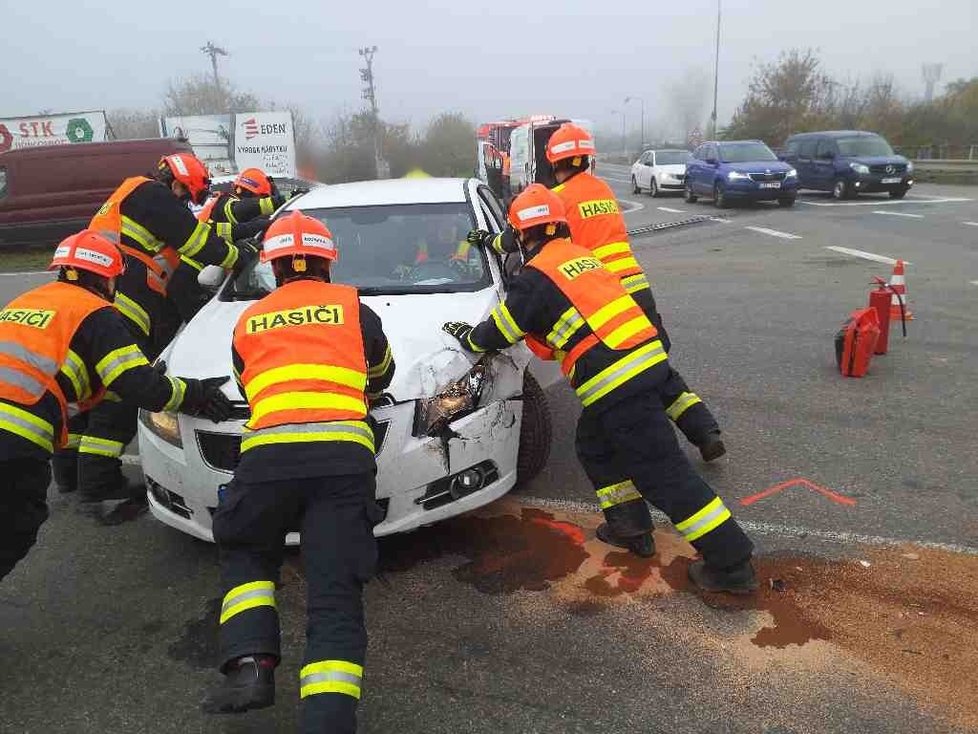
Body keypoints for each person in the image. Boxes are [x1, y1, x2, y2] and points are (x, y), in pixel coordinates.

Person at [443, 185, 756, 592]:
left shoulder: (534, 278)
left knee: (665, 474)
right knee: (594, 446)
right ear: (558, 224)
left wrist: (469, 337)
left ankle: (731, 563)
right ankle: (630, 526)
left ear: (522, 236)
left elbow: (501, 330)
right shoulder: (581, 258)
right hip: (647, 362)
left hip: (617, 383)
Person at [203, 211, 395, 733]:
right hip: (343, 463)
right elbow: (381, 372)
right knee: (334, 591)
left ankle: (249, 666)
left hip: (267, 461)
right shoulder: (354, 308)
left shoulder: (250, 319)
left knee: (245, 547)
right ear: (328, 262)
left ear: (273, 266)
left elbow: (250, 386)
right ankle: (327, 720)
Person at [470, 123, 726, 464]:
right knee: (657, 366)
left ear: (553, 162)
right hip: (635, 285)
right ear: (587, 158)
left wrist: (488, 240)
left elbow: (515, 239)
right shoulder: (603, 190)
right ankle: (704, 431)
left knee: (621, 376)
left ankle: (643, 451)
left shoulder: (557, 200)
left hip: (598, 293)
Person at [0, 230, 233, 581]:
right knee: (15, 526)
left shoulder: (27, 302)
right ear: (106, 278)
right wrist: (195, 393)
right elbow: (137, 384)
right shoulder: (96, 314)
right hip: (13, 439)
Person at [51, 154, 264, 508]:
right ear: (178, 182)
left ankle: (69, 475)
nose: (185, 203)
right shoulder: (151, 194)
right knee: (118, 397)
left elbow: (205, 230)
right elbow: (198, 242)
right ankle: (99, 482)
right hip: (123, 308)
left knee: (87, 394)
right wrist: (239, 258)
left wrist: (250, 232)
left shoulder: (135, 199)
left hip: (100, 304)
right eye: (186, 195)